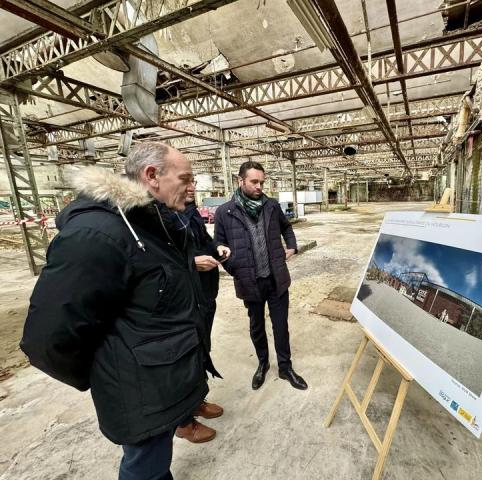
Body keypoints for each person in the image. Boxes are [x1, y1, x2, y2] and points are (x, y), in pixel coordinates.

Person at [20, 142, 228, 479]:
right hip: (139, 389)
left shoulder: (152, 224)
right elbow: (48, 338)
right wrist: (110, 372)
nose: (194, 187)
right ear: (152, 176)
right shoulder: (97, 234)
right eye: (186, 178)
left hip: (162, 380)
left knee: (157, 464)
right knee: (144, 467)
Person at [214, 161, 307, 391]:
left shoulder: (272, 206)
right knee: (256, 327)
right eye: (254, 182)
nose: (259, 186)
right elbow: (218, 244)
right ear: (240, 181)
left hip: (276, 280)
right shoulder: (225, 212)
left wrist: (292, 246)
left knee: (280, 326)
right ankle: (263, 363)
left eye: (262, 182)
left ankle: (285, 367)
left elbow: (287, 227)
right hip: (249, 282)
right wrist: (233, 266)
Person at [173, 196, 226, 443]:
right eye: (185, 179)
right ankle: (183, 422)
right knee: (184, 357)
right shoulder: (158, 215)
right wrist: (191, 264)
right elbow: (154, 260)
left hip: (204, 294)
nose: (192, 186)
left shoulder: (190, 212)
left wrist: (216, 249)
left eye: (193, 180)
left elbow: (203, 240)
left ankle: (196, 402)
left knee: (201, 349)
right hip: (183, 298)